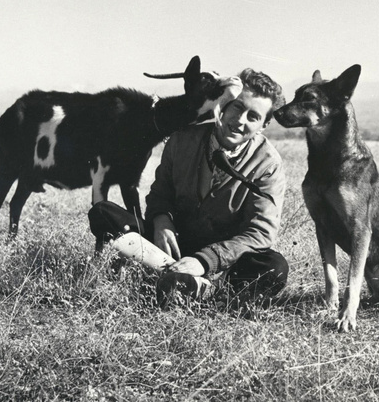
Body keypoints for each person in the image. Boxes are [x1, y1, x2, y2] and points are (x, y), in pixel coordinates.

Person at [88, 68, 288, 308]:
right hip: (171, 245)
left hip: (223, 258)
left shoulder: (268, 164)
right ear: (224, 105)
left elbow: (260, 233)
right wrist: (161, 221)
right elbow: (160, 194)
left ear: (264, 125)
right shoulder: (182, 139)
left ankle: (207, 288)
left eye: (253, 116)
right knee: (104, 213)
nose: (240, 120)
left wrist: (204, 261)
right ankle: (175, 276)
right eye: (237, 107)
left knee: (274, 267)